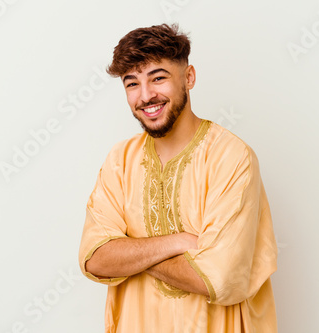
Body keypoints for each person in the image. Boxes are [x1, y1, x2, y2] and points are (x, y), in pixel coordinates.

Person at [78, 23, 278, 333]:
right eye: (132, 84)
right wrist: (179, 242)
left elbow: (217, 277)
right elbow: (95, 259)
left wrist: (131, 253)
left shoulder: (231, 157)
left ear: (189, 77)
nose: (145, 96)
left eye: (158, 78)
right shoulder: (119, 161)